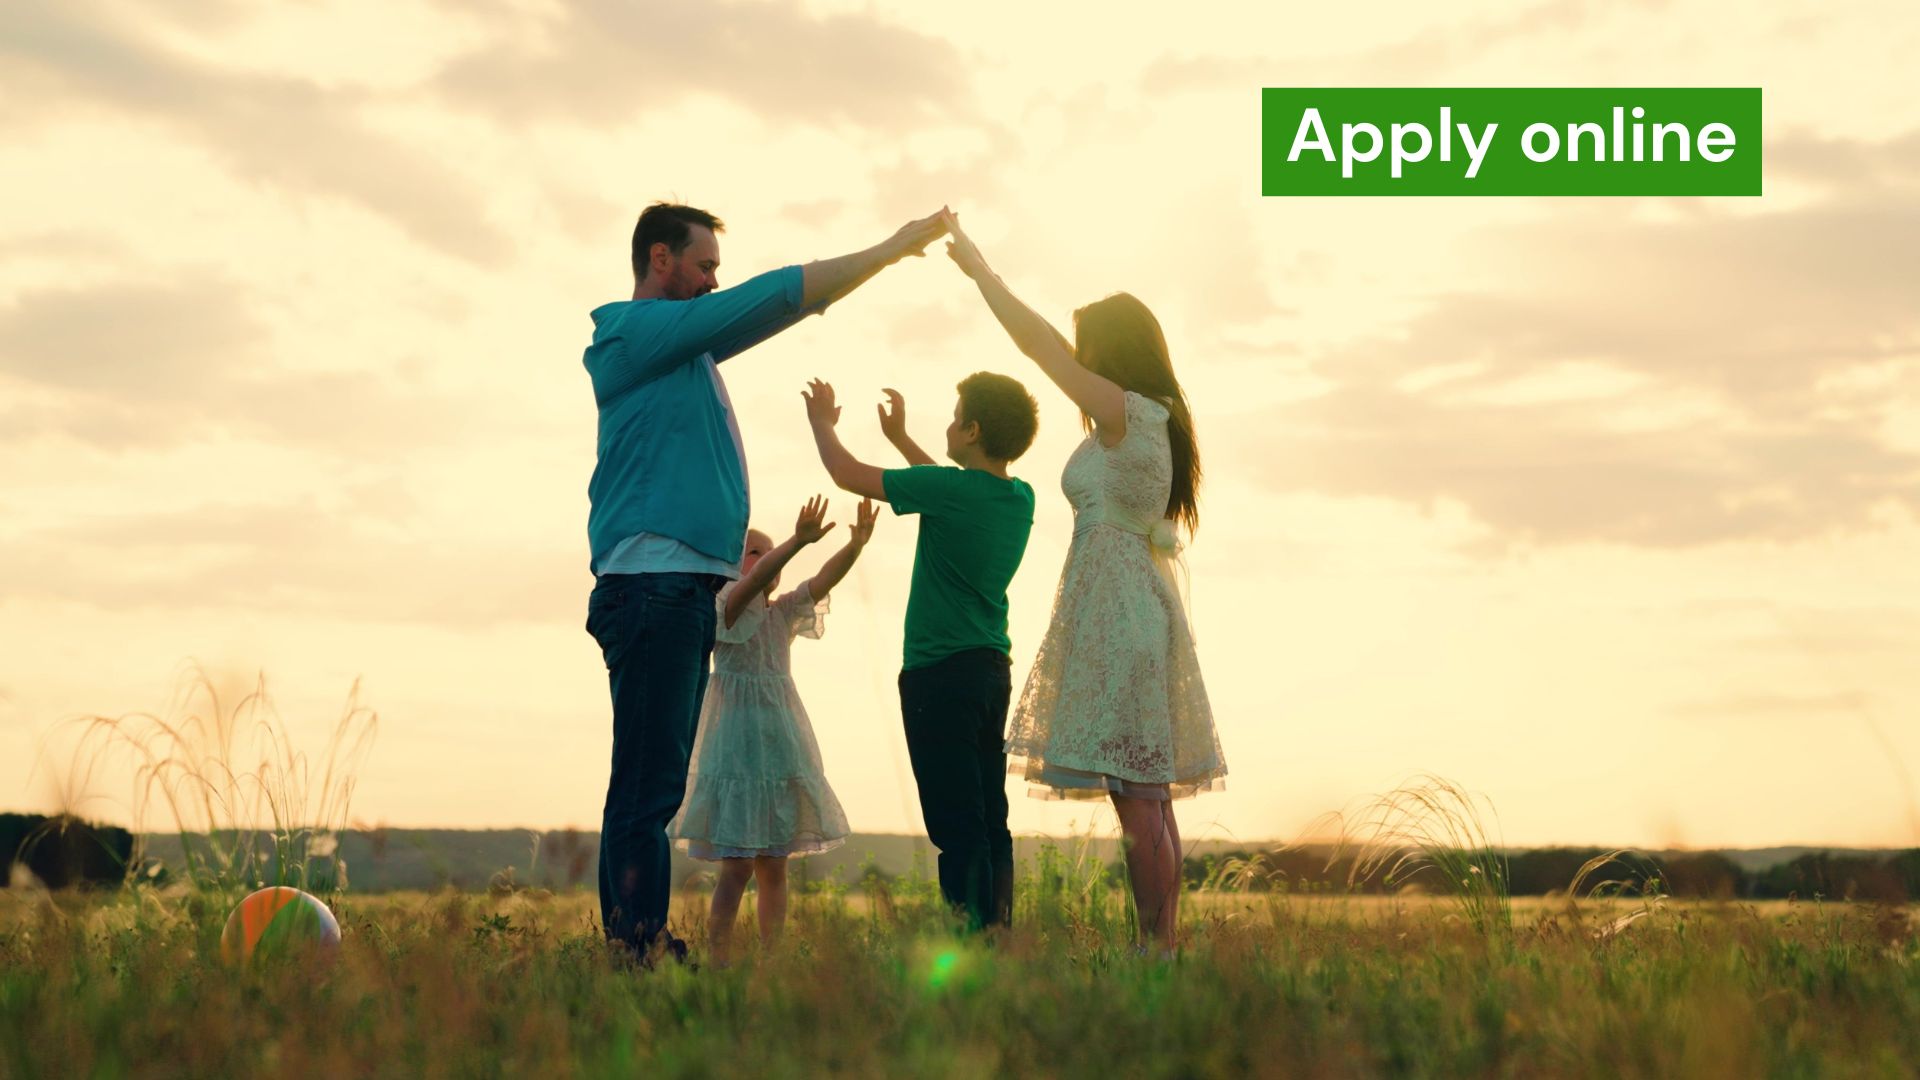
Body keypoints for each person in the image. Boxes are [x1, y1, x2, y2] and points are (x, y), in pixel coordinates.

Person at [583, 201, 947, 964]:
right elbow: (778, 293)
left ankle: (637, 941)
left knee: (652, 783)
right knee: (648, 786)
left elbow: (775, 307)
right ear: (660, 259)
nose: (715, 282)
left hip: (678, 590)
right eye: (704, 265)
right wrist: (886, 249)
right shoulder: (637, 333)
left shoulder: (684, 355)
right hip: (652, 586)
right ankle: (637, 947)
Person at [941, 211, 1226, 955]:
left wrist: (980, 272)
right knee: (1144, 794)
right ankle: (1161, 945)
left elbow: (1038, 345)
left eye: (1089, 349)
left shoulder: (1133, 413)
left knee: (1139, 797)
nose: (1080, 362)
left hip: (1122, 610)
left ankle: (1156, 948)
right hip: (1118, 607)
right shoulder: (1136, 420)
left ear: (1111, 351)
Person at [802, 374, 1038, 930]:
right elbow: (950, 488)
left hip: (939, 675)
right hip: (990, 671)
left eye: (956, 419)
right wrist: (902, 439)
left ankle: (972, 937)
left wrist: (821, 424)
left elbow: (846, 473)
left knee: (955, 822)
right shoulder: (1019, 497)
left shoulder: (949, 490)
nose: (948, 426)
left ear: (973, 430)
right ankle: (999, 934)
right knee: (989, 815)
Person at [668, 495, 873, 966]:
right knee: (738, 866)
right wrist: (796, 542)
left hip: (780, 745)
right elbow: (755, 581)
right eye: (754, 551)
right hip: (735, 750)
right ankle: (719, 959)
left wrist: (855, 546)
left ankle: (771, 960)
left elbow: (821, 581)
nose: (765, 557)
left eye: (768, 549)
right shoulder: (725, 607)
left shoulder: (782, 614)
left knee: (774, 866)